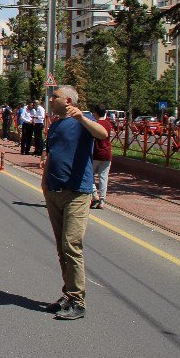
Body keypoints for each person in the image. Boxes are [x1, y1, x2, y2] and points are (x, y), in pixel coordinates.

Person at [40, 85, 109, 321]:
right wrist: (44, 182)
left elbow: (102, 134)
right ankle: (68, 295)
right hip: (54, 191)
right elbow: (52, 155)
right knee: (62, 247)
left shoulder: (85, 119)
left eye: (54, 96)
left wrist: (81, 117)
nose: (50, 100)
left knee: (72, 244)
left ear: (68, 99)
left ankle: (78, 301)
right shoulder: (56, 124)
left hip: (77, 193)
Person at [90, 103, 114, 209]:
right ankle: (102, 201)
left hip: (95, 153)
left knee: (89, 175)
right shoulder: (108, 124)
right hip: (107, 154)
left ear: (95, 113)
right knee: (103, 177)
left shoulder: (94, 124)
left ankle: (95, 195)